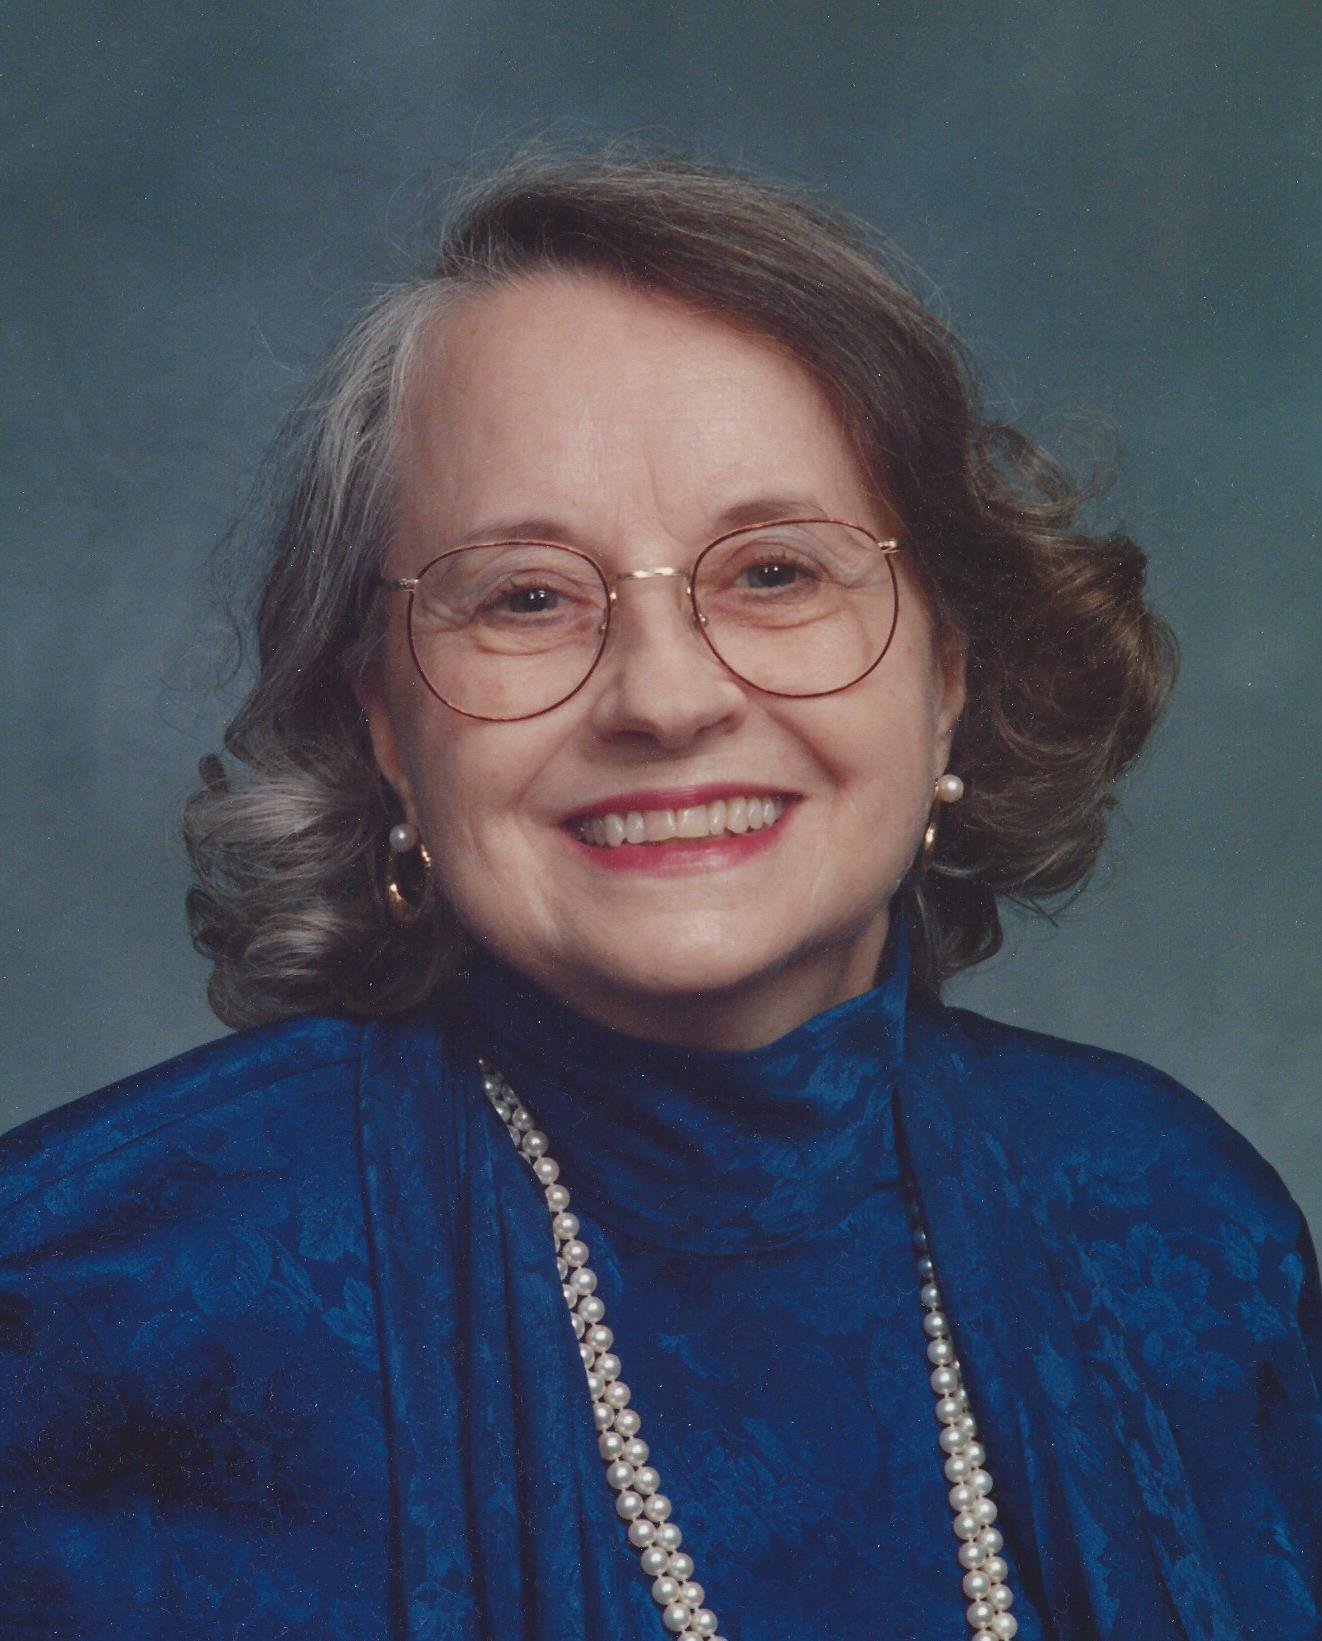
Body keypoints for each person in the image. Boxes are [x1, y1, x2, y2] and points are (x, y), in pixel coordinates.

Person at [1, 152, 1318, 1641]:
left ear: (947, 673)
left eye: (775, 572)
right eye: (526, 596)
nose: (666, 698)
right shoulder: (79, 1291)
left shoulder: (1180, 1218)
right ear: (386, 725)